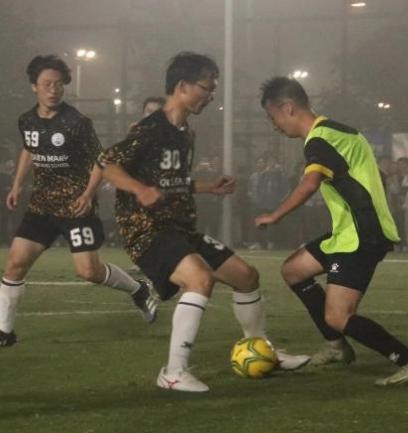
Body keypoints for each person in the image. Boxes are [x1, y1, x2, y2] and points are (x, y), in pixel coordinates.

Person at [98, 52, 309, 393]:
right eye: (206, 87)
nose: (211, 95)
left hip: (180, 229)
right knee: (199, 278)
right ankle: (173, 372)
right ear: (183, 86)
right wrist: (139, 189)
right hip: (147, 230)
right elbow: (106, 163)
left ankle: (262, 350)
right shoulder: (151, 128)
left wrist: (208, 187)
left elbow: (171, 181)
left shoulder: (185, 133)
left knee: (246, 277)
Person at [255, 76, 408, 386]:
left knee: (337, 316)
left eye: (273, 117)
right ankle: (336, 346)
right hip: (349, 232)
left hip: (360, 236)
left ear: (288, 108)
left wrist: (275, 215)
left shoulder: (320, 140)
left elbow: (309, 184)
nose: (275, 126)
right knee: (294, 270)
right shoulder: (339, 131)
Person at [0, 54, 158, 349]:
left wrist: (87, 194)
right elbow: (29, 149)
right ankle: (4, 333)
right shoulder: (27, 120)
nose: (53, 89)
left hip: (75, 207)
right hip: (41, 206)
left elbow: (101, 160)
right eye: (47, 83)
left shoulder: (77, 122)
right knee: (15, 264)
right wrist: (17, 185)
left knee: (88, 271)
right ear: (34, 86)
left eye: (58, 84)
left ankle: (138, 290)